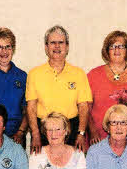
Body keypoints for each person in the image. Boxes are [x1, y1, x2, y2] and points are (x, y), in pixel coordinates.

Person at [26, 25, 92, 153]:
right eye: (52, 43)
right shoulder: (34, 74)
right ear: (46, 47)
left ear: (67, 47)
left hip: (72, 131)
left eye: (61, 43)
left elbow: (84, 107)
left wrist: (81, 134)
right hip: (43, 131)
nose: (57, 47)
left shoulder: (79, 74)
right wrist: (35, 134)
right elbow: (31, 107)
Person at [87, 31, 127, 146]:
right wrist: (93, 132)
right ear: (106, 50)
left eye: (121, 46)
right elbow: (86, 109)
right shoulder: (93, 75)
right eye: (112, 46)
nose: (117, 50)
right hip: (98, 140)